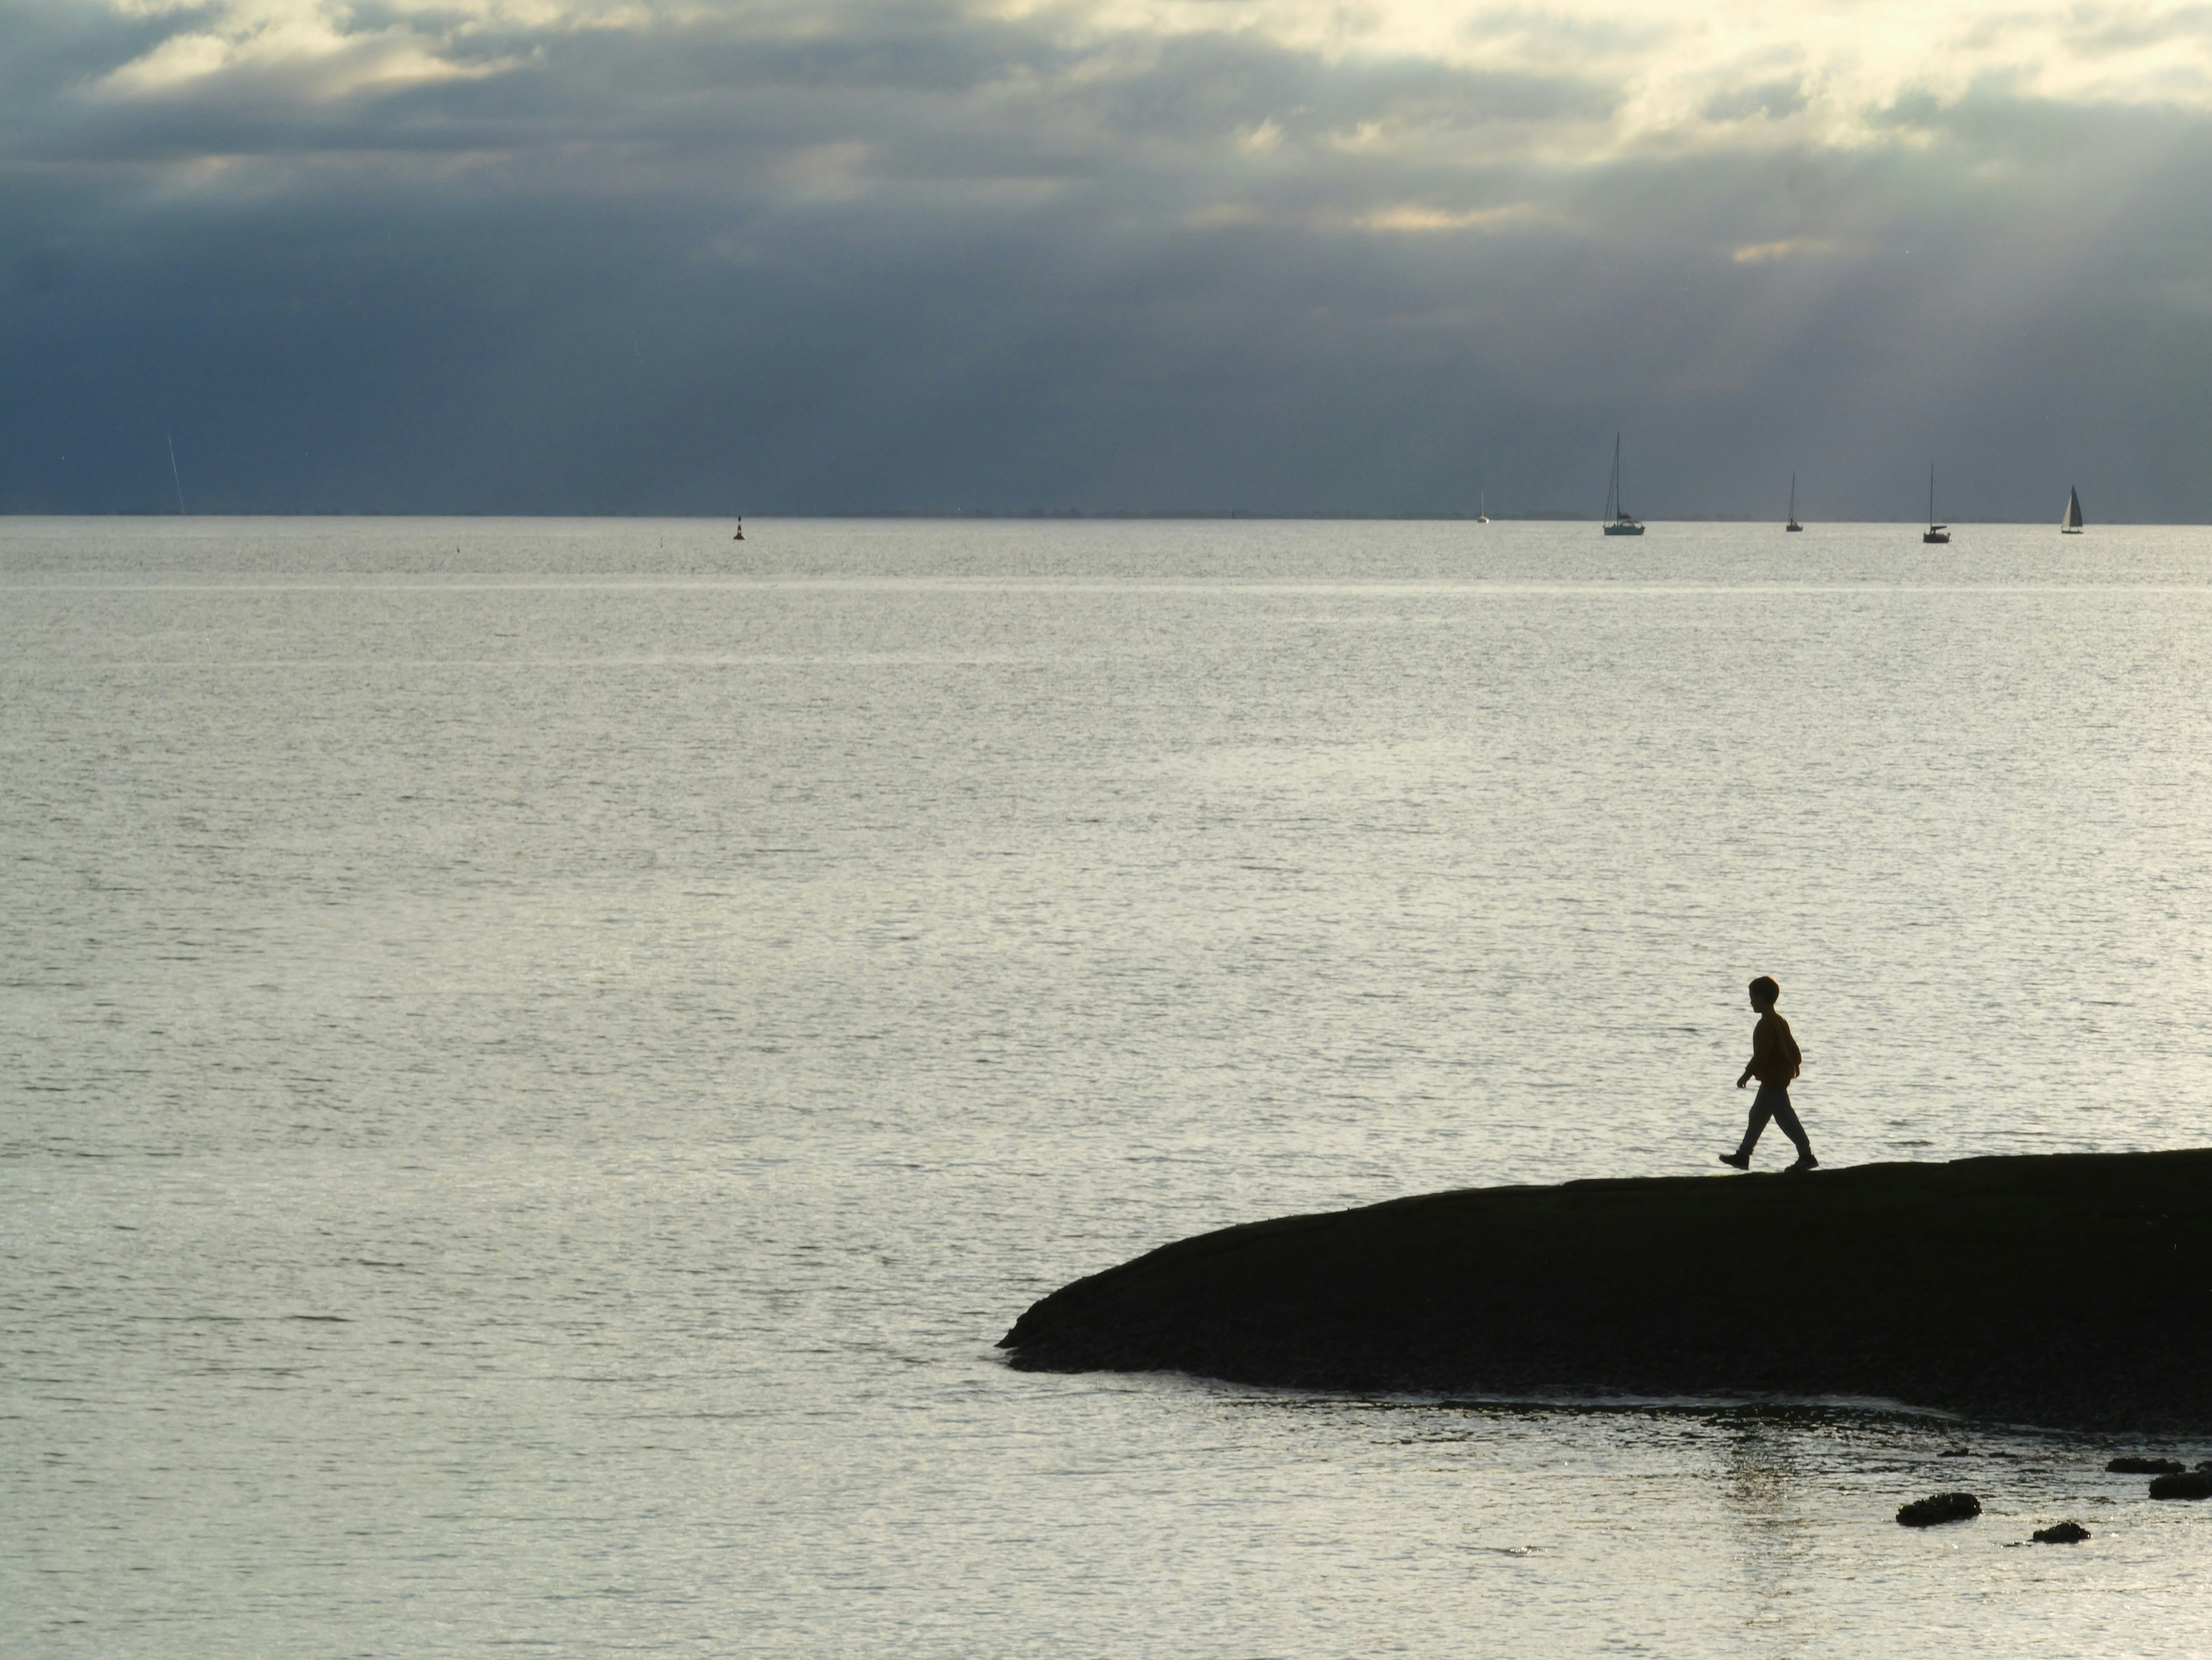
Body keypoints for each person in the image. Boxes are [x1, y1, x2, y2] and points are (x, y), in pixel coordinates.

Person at [1719, 976, 1817, 1172]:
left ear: (1762, 998)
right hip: (1775, 1079)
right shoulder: (1779, 1020)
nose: (1751, 1001)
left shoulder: (1766, 1025)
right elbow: (1794, 1048)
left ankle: (1806, 1156)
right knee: (1757, 1116)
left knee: (1786, 1118)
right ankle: (1743, 1155)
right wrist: (1795, 1065)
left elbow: (1761, 1056)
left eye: (1753, 997)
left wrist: (1746, 1075)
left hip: (1774, 1080)